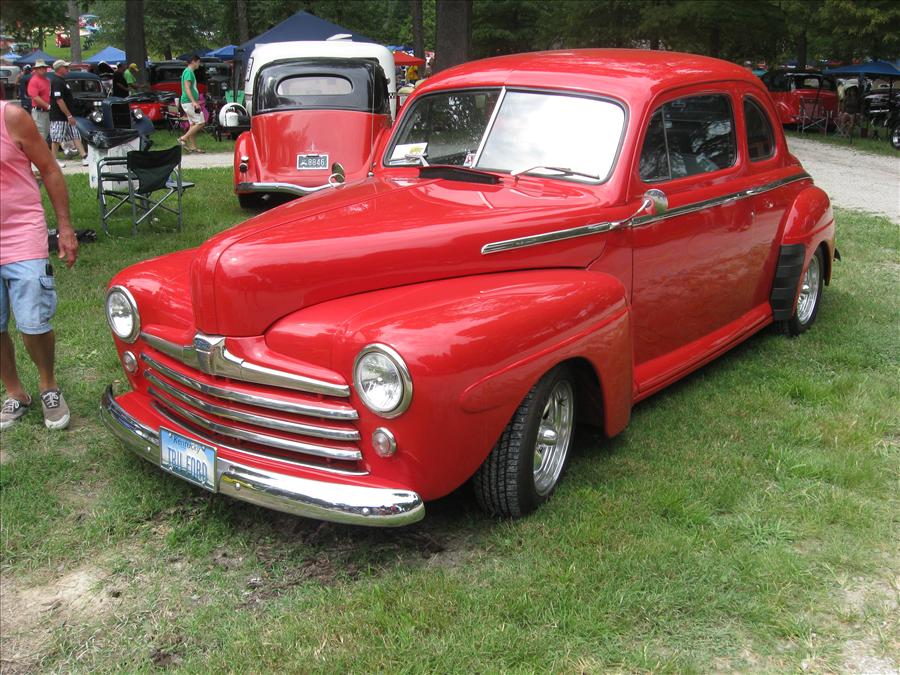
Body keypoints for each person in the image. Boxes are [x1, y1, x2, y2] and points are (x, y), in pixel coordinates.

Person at [0, 99, 78, 431]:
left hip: (21, 232)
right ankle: (15, 392)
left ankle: (48, 386)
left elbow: (49, 168)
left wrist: (65, 228)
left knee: (33, 320)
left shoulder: (11, 117)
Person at [48, 60, 88, 167]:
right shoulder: (56, 81)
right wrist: (68, 115)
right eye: (65, 67)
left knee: (75, 135)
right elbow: (59, 100)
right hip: (59, 116)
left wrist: (70, 115)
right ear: (59, 68)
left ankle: (84, 156)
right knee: (56, 138)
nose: (67, 69)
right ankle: (53, 160)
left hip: (68, 116)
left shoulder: (63, 81)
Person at [178, 55, 205, 153]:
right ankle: (183, 138)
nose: (199, 64)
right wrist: (194, 102)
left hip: (188, 102)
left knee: (193, 124)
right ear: (193, 61)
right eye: (198, 62)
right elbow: (187, 88)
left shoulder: (188, 71)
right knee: (201, 122)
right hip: (189, 102)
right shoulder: (189, 72)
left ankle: (193, 147)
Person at [26, 60, 51, 141]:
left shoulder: (47, 80)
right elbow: (35, 97)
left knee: (46, 134)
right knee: (41, 135)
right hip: (39, 112)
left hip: (47, 111)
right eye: (40, 67)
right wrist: (48, 106)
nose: (43, 69)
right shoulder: (34, 81)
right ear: (36, 69)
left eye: (44, 67)